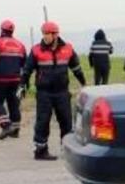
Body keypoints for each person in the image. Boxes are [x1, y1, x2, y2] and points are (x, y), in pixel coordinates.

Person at [20, 21, 86, 160]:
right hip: (44, 93)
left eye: (47, 34)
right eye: (43, 33)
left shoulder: (68, 49)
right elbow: (27, 70)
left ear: (55, 34)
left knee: (66, 122)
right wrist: (22, 85)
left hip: (62, 92)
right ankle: (40, 150)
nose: (45, 36)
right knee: (42, 122)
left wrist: (84, 83)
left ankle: (67, 150)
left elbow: (76, 68)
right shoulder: (36, 50)